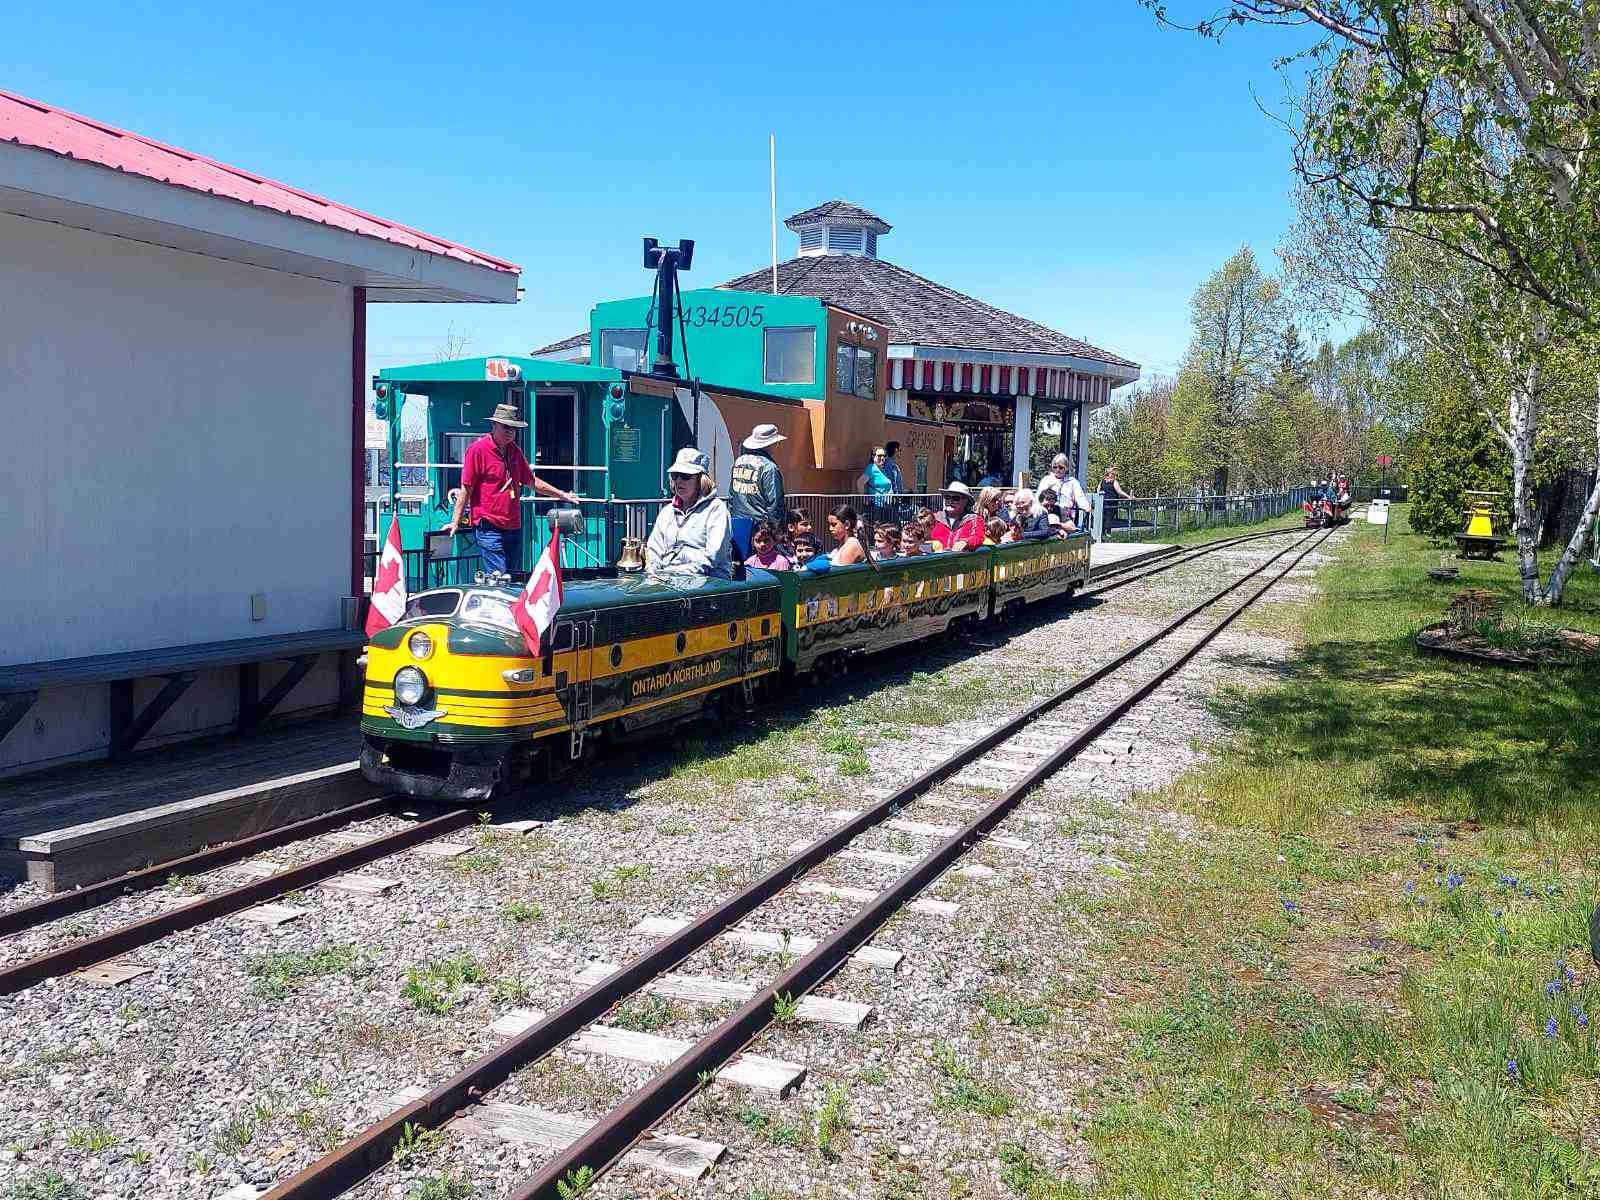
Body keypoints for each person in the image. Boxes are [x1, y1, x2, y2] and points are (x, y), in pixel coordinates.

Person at [443, 403, 579, 575]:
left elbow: (531, 481)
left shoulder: (514, 451)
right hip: (489, 527)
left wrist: (562, 495)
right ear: (494, 426)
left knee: (513, 578)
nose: (510, 432)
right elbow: (466, 488)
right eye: (506, 427)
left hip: (513, 527)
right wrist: (455, 522)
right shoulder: (477, 450)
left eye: (514, 429)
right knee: (500, 577)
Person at [646, 448, 733, 578]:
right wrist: (654, 570)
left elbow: (712, 558)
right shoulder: (667, 512)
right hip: (667, 579)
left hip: (709, 582)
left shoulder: (716, 510)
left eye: (685, 476)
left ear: (700, 480)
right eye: (675, 476)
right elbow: (654, 550)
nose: (679, 481)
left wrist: (675, 568)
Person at [728, 424, 787, 525]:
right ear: (770, 444)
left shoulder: (739, 461)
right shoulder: (769, 467)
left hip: (737, 521)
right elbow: (775, 503)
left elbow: (732, 495)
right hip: (760, 526)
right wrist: (776, 528)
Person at [1037, 453, 1093, 533]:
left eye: (1061, 467)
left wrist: (1085, 506)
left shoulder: (1072, 482)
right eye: (1055, 467)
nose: (1057, 470)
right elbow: (1039, 497)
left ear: (1066, 468)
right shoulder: (1047, 480)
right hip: (1049, 512)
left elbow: (1080, 497)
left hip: (1066, 514)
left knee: (1069, 526)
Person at [930, 481, 985, 551]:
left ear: (965, 501)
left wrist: (965, 542)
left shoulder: (975, 519)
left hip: (962, 559)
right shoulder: (934, 518)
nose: (950, 501)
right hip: (936, 559)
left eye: (956, 498)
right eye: (947, 497)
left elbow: (978, 537)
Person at [858, 447, 896, 521]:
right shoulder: (871, 468)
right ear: (873, 456)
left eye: (884, 456)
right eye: (879, 456)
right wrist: (864, 497)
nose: (882, 458)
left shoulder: (883, 469)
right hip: (876, 506)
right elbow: (860, 482)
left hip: (887, 505)